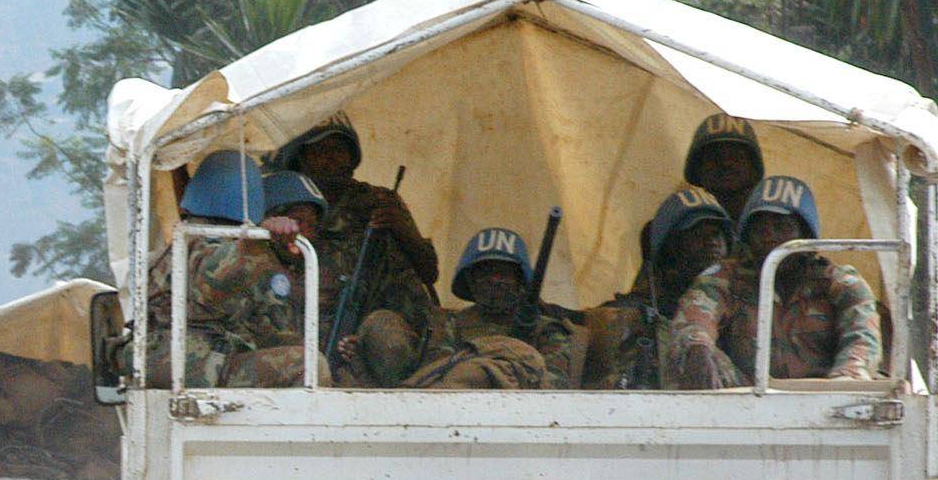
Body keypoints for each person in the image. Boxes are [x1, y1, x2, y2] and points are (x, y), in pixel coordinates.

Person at [670, 175, 884, 389]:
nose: (769, 237)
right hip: (747, 402)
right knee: (696, 355)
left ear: (806, 236)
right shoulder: (727, 278)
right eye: (759, 229)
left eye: (782, 227)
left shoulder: (839, 282)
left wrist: (845, 381)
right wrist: (696, 349)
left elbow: (862, 337)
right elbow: (695, 316)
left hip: (822, 401)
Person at [273, 113, 440, 384]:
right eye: (321, 151)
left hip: (381, 321)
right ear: (302, 159)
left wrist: (402, 229)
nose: (332, 160)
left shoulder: (380, 201)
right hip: (313, 320)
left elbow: (429, 271)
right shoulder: (286, 202)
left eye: (340, 150)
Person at [145, 152, 329, 388]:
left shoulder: (198, 238)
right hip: (193, 367)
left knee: (307, 357)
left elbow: (268, 328)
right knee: (309, 366)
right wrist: (253, 244)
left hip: (201, 364)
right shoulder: (198, 240)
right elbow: (211, 286)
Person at [582, 185, 735, 389]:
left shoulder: (743, 302)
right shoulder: (631, 314)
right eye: (698, 234)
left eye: (717, 234)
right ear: (669, 247)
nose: (712, 243)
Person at [405, 227, 578, 389]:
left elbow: (556, 389)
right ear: (470, 281)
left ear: (520, 282)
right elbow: (435, 376)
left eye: (504, 274)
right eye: (485, 273)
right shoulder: (450, 325)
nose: (494, 280)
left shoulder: (547, 331)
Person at [683, 113, 766, 223]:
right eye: (714, 157)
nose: (726, 163)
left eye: (736, 156)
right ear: (698, 170)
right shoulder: (675, 229)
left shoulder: (770, 229)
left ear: (753, 168)